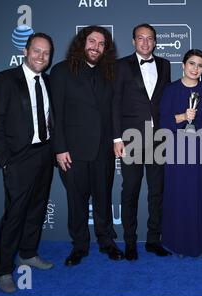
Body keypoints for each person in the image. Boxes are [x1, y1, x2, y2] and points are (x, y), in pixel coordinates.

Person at [0, 33, 55, 293]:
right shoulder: (5, 80)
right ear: (26, 51)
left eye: (46, 53)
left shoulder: (48, 82)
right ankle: (3, 269)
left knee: (37, 209)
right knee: (15, 215)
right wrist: (6, 161)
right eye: (36, 51)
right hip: (18, 159)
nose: (41, 56)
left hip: (44, 154)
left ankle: (28, 253)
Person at [50, 25, 124, 266]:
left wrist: (116, 139)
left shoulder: (109, 72)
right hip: (73, 152)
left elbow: (114, 110)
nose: (96, 47)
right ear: (82, 43)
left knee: (103, 198)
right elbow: (56, 115)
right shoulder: (61, 71)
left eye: (102, 44)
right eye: (92, 41)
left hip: (103, 150)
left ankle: (106, 242)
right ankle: (79, 246)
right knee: (76, 201)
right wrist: (60, 148)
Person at [112, 23, 171, 260]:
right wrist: (117, 137)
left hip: (158, 139)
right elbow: (114, 103)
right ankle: (130, 242)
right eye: (141, 38)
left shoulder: (165, 65)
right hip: (130, 139)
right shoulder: (120, 66)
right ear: (133, 41)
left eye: (150, 39)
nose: (145, 42)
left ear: (155, 42)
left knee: (157, 192)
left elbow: (168, 98)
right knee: (131, 192)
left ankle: (154, 240)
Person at [160, 49, 202, 257]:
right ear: (183, 65)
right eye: (191, 63)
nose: (195, 68)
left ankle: (201, 241)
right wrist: (183, 116)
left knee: (200, 193)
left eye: (200, 65)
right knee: (180, 194)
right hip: (177, 147)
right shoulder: (171, 90)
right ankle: (179, 242)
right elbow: (163, 121)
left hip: (201, 146)